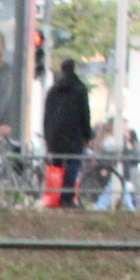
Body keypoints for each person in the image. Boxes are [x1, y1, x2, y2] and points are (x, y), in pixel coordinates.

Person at [41, 59, 90, 209]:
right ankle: (67, 199)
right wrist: (87, 135)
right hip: (73, 135)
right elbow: (85, 114)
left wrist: (47, 136)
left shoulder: (53, 90)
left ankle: (54, 198)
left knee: (57, 167)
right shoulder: (80, 89)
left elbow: (47, 115)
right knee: (73, 164)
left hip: (54, 136)